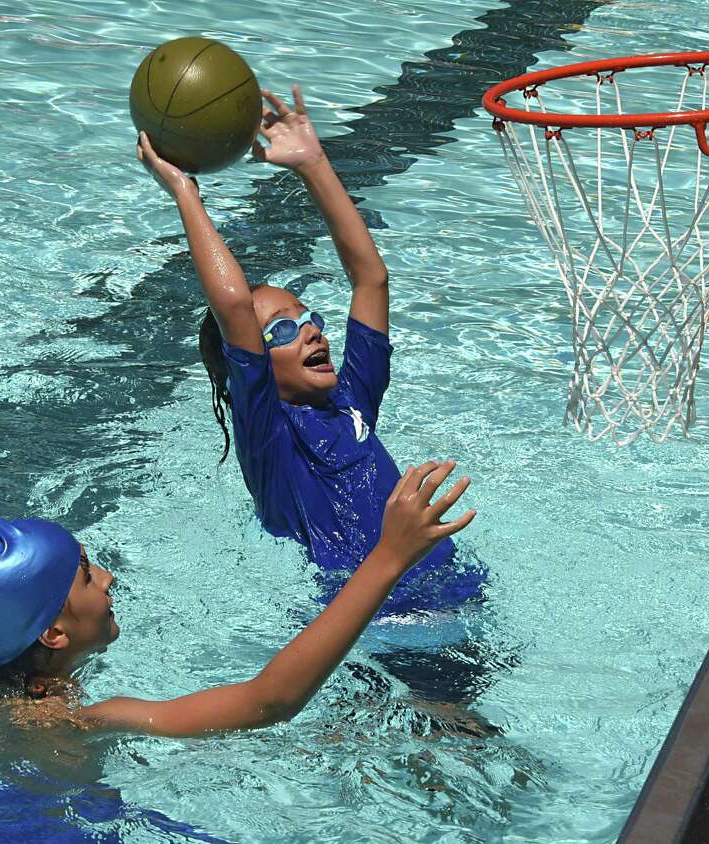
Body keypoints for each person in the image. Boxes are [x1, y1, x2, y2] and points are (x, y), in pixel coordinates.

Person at [135, 85, 487, 621]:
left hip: (452, 597)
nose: (311, 333)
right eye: (281, 331)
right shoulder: (271, 438)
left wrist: (313, 162)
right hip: (372, 623)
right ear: (248, 364)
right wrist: (186, 192)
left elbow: (370, 278)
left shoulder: (352, 401)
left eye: (309, 319)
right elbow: (231, 305)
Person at [0, 461, 472, 737]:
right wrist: (388, 559)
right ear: (52, 633)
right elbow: (270, 701)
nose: (109, 582)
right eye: (88, 576)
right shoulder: (78, 720)